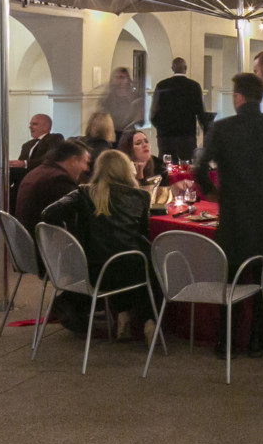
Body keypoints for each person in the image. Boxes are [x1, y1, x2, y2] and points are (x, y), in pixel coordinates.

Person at [194, 72, 263, 359]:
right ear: (260, 97)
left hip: (234, 216)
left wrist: (213, 193)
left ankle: (226, 341)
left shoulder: (221, 128)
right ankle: (258, 338)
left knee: (231, 278)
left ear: (238, 97)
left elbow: (199, 170)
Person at [41, 149, 156, 342]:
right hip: (131, 269)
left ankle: (122, 314)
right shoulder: (141, 197)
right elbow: (142, 235)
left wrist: (70, 235)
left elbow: (48, 214)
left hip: (92, 272)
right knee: (146, 262)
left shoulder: (84, 193)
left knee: (113, 260)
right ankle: (148, 320)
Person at [14, 138, 91, 237]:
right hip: (44, 246)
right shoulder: (59, 180)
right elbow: (75, 223)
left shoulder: (38, 172)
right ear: (74, 160)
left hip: (27, 243)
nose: (86, 168)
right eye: (85, 162)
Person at [150, 57, 204, 162]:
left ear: (172, 68)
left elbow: (154, 113)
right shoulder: (194, 86)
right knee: (187, 166)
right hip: (187, 136)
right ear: (186, 68)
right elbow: (200, 111)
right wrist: (204, 129)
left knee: (166, 167)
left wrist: (161, 128)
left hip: (166, 137)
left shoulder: (161, 85)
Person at [11, 113, 64, 179]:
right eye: (30, 124)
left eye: (34, 124)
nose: (30, 127)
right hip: (23, 182)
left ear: (46, 127)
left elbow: (50, 160)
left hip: (43, 180)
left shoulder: (55, 138)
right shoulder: (26, 145)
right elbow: (20, 166)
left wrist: (25, 163)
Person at [99, 66, 143, 134]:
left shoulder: (135, 98)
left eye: (122, 77)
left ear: (128, 79)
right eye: (117, 77)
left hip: (129, 133)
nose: (120, 81)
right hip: (111, 132)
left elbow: (138, 119)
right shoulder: (107, 98)